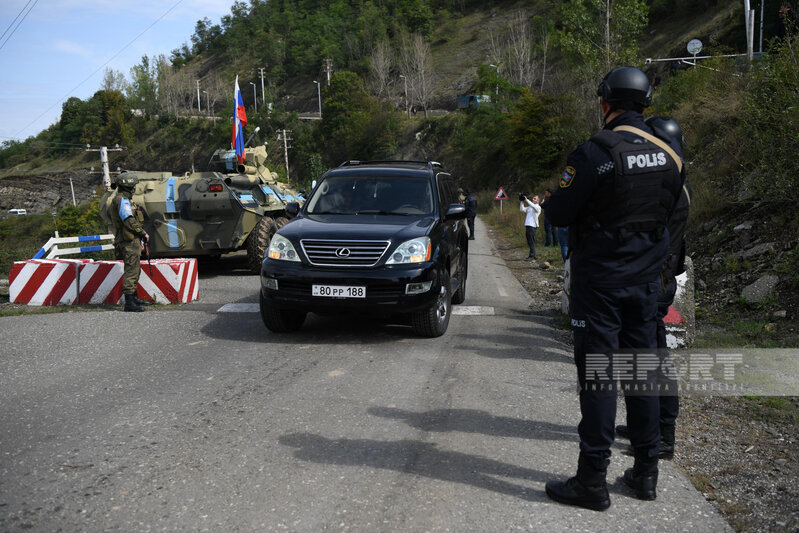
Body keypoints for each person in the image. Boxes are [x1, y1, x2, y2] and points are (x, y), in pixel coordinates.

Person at [543, 66, 684, 511]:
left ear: (605, 102)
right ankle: (646, 472)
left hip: (601, 285)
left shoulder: (595, 153)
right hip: (644, 285)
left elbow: (559, 215)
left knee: (601, 379)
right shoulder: (670, 155)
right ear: (645, 105)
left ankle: (592, 481)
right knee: (642, 374)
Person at [616, 116, 691, 462]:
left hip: (655, 281)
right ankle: (643, 423)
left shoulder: (672, 187)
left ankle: (663, 433)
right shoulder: (675, 181)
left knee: (653, 360)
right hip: (655, 278)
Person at [111, 174, 151, 312]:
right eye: (132, 186)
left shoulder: (124, 200)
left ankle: (134, 297)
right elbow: (128, 220)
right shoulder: (122, 200)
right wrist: (142, 233)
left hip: (131, 240)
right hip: (128, 241)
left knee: (135, 269)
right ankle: (129, 303)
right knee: (131, 271)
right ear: (128, 187)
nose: (134, 188)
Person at [519, 193, 541, 260]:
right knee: (529, 241)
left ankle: (532, 256)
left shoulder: (538, 207)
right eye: (533, 198)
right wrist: (522, 201)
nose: (533, 199)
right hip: (528, 225)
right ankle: (532, 255)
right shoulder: (530, 207)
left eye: (535, 198)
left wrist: (527, 200)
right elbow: (522, 210)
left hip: (533, 226)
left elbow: (533, 206)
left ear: (538, 201)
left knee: (531, 241)